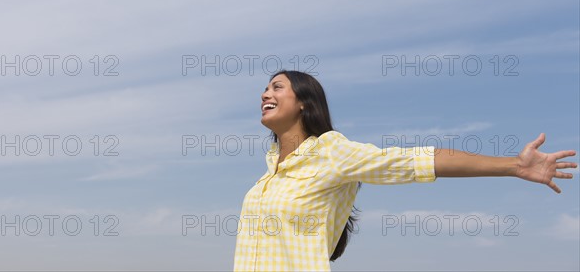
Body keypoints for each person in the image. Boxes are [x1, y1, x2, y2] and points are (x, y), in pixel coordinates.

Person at [233, 70, 577, 271]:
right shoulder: (269, 173)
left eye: (277, 87)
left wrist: (514, 166)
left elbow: (415, 162)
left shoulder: (331, 151)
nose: (266, 93)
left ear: (305, 102)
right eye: (265, 88)